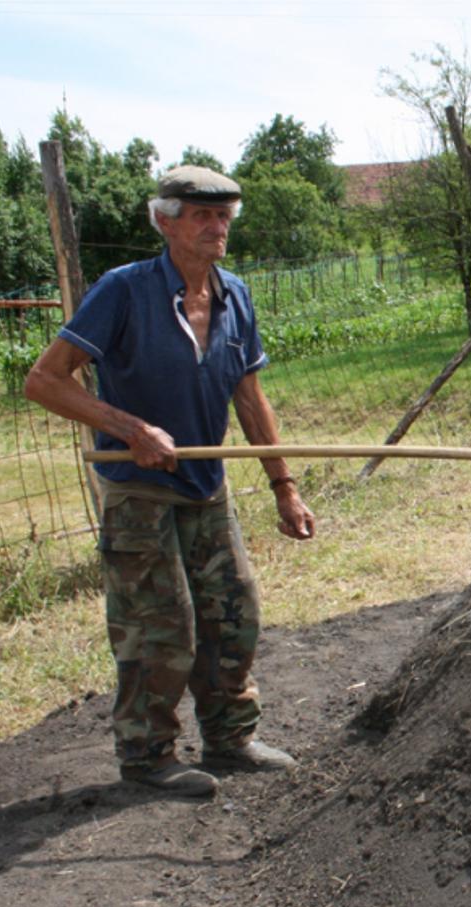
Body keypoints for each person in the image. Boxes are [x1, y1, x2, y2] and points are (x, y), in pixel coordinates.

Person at [25, 165, 315, 798]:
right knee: (159, 629)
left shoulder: (235, 295)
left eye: (224, 217)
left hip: (207, 486)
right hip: (139, 490)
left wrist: (284, 486)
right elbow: (44, 380)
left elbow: (249, 397)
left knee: (233, 614)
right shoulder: (123, 291)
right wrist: (129, 429)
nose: (217, 228)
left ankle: (230, 739)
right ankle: (147, 756)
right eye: (201, 216)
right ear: (164, 221)